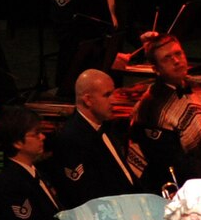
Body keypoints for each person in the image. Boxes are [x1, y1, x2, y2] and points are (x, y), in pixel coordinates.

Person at [131, 35, 201, 192]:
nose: (176, 61)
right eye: (167, 58)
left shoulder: (194, 86)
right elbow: (175, 163)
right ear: (156, 69)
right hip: (182, 189)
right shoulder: (151, 107)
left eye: (178, 53)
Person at [46, 68, 146, 208]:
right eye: (107, 95)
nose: (114, 100)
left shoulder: (105, 127)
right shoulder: (71, 139)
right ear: (88, 100)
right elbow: (83, 196)